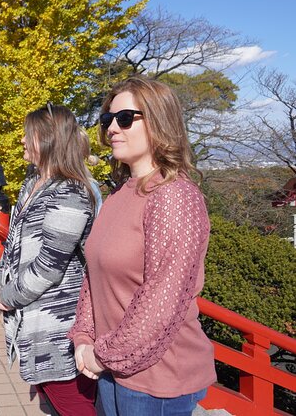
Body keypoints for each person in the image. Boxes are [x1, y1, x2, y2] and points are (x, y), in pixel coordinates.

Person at [68, 75, 216, 415]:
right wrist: (84, 338)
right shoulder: (121, 193)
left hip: (157, 380)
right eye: (107, 120)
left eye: (125, 118)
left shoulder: (174, 196)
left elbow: (162, 298)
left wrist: (102, 354)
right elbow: (94, 276)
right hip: (111, 367)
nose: (112, 129)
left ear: (160, 122)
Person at [0, 104, 98, 416]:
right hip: (34, 312)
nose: (22, 141)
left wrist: (5, 297)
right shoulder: (31, 183)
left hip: (59, 318)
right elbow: (12, 247)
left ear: (49, 139)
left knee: (71, 400)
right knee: (65, 399)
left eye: (28, 135)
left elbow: (50, 265)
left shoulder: (70, 192)